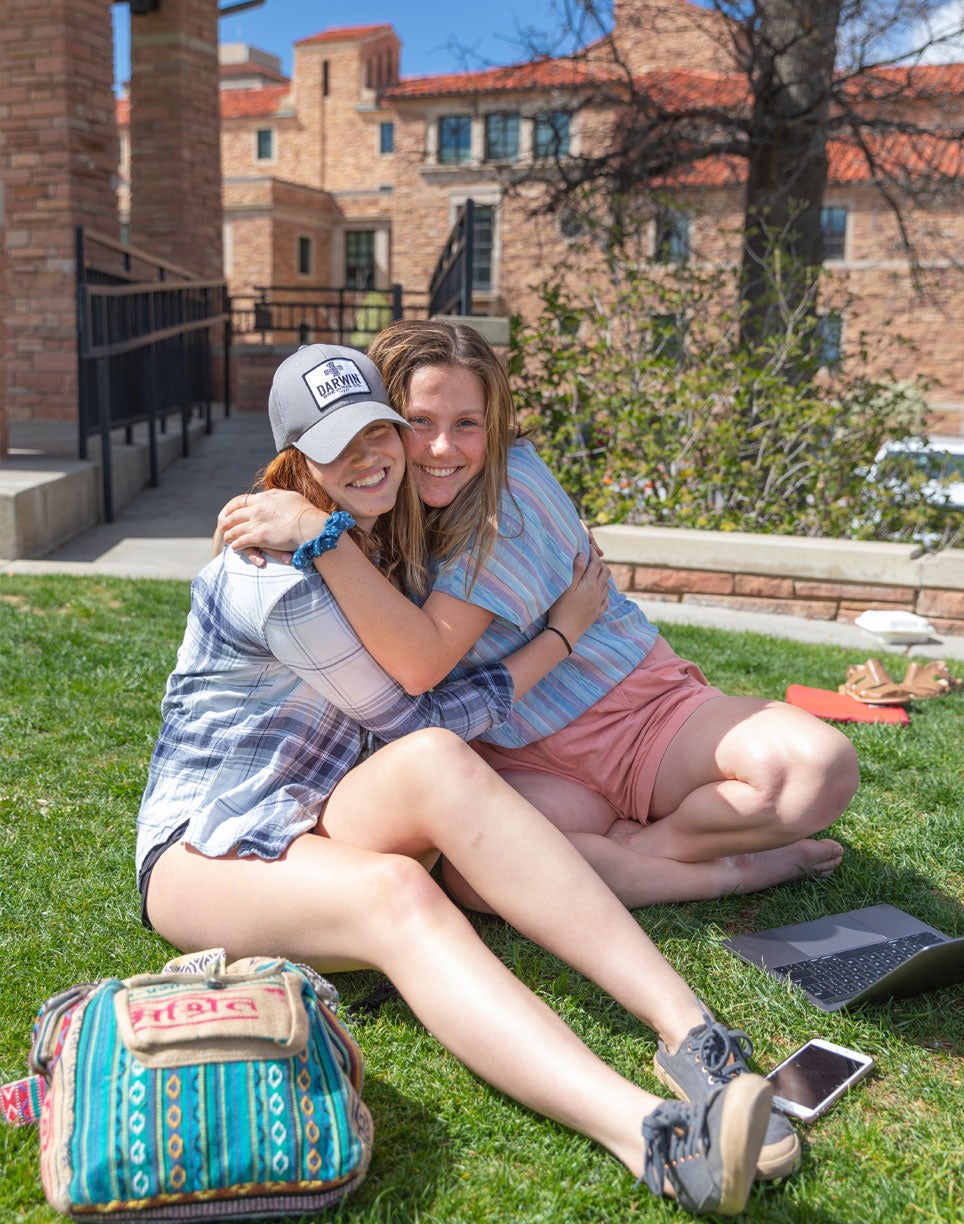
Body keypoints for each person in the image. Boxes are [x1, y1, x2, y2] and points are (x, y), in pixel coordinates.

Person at [139, 343, 783, 1216]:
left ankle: (693, 1034)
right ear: (296, 464)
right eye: (337, 447)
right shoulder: (273, 577)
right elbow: (412, 712)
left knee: (441, 772)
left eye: (379, 432)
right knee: (402, 890)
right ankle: (652, 1137)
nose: (368, 458)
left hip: (317, 817)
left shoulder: (370, 544)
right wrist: (557, 638)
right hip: (208, 853)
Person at [218, 320, 857, 919]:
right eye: (419, 422)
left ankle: (646, 854)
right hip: (514, 754)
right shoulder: (376, 497)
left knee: (811, 770)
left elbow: (421, 663)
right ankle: (727, 870)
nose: (443, 448)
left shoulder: (512, 494)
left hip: (637, 716)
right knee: (474, 878)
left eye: (468, 423)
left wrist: (317, 533)